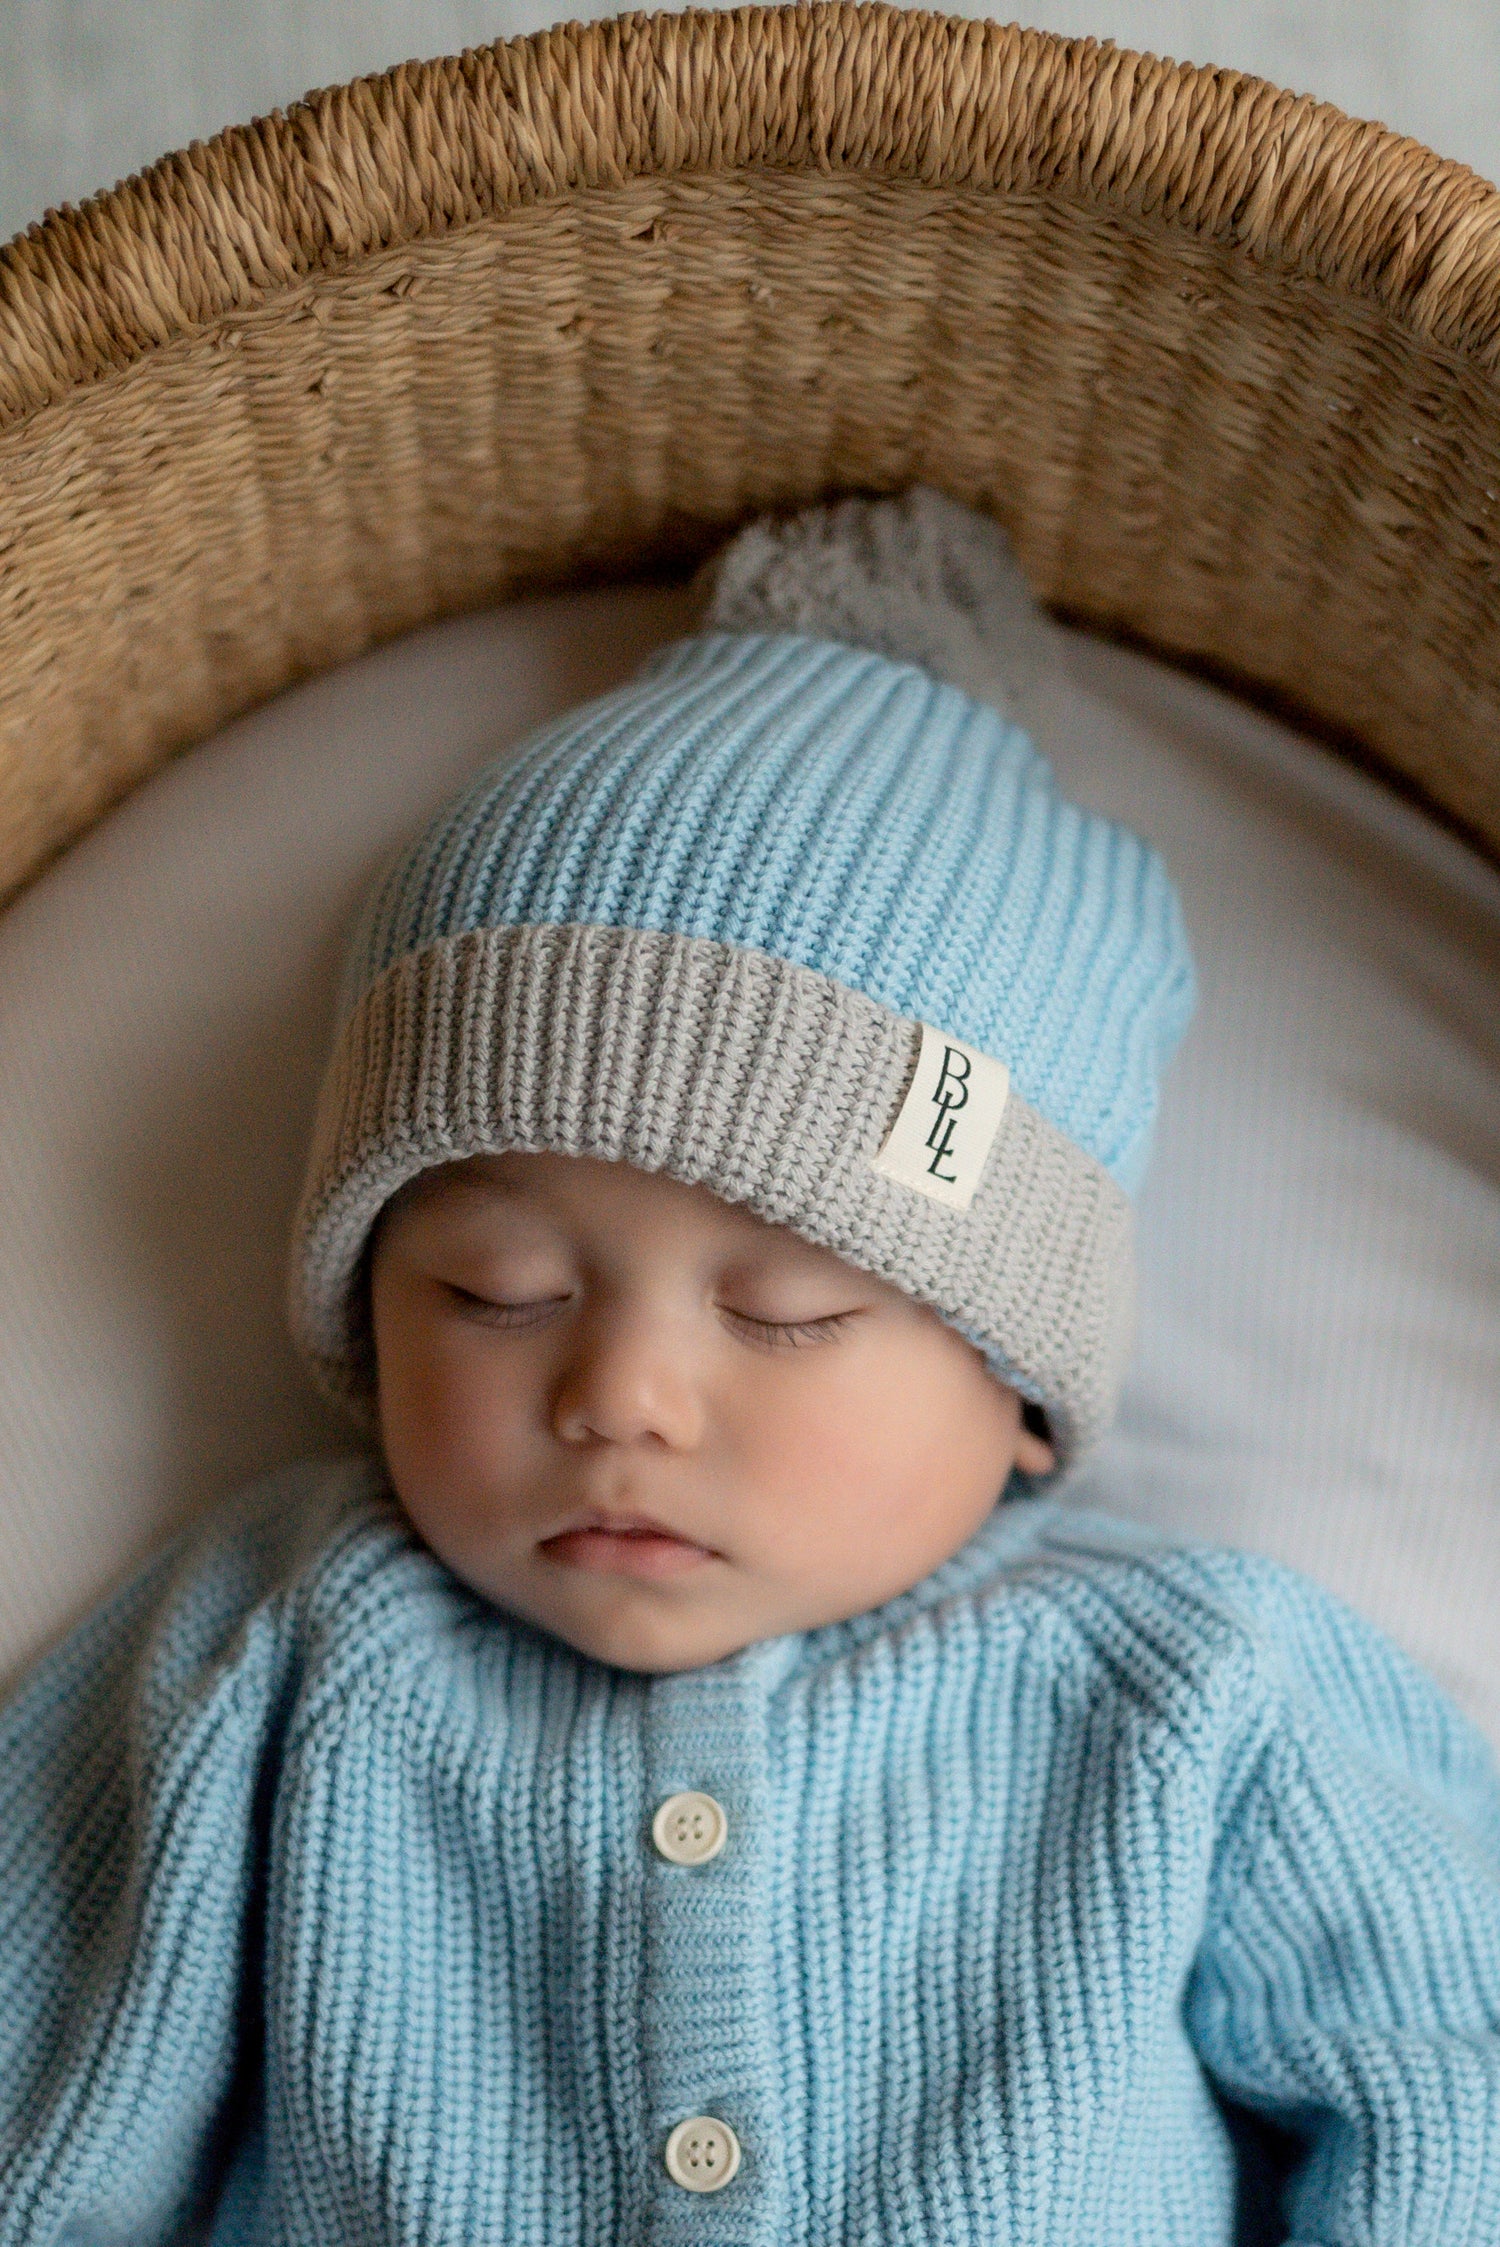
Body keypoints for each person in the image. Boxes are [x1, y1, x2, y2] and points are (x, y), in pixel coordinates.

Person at [2, 490, 1498, 2245]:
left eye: (786, 1309)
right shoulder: (286, 1642)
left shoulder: (1194, 1693)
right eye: (495, 1286)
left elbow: (1448, 2085)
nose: (620, 1395)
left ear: (1018, 1379)